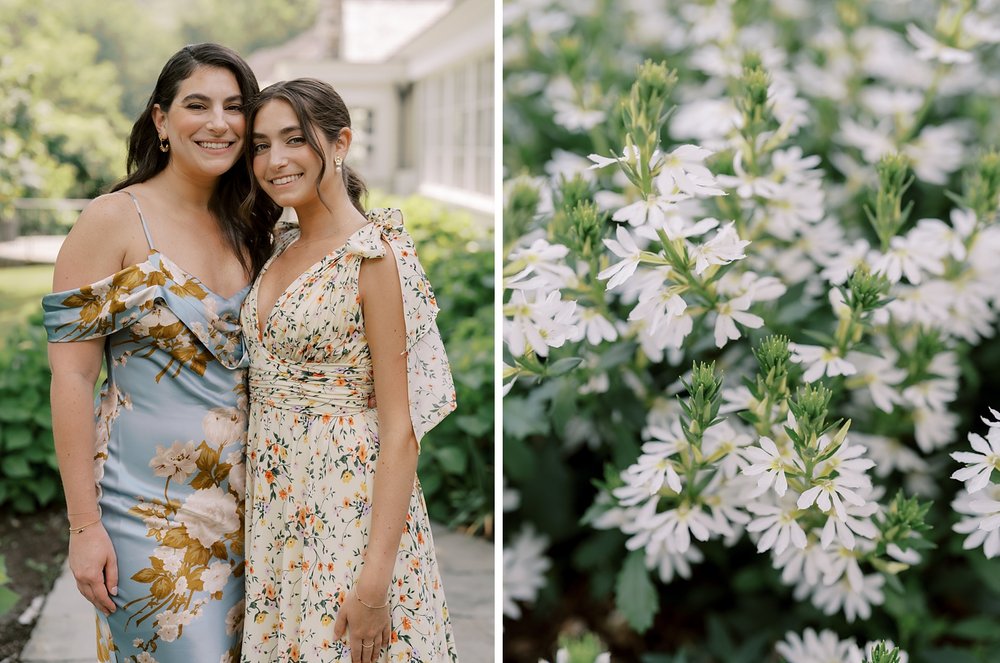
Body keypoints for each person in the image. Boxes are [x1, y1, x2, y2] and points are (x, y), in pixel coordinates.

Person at [43, 43, 273, 662]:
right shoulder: (112, 220)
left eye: (235, 107)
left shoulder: (260, 224)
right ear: (161, 120)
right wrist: (85, 527)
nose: (219, 122)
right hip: (149, 512)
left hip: (266, 513)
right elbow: (71, 379)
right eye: (197, 105)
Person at [239, 78, 459, 662]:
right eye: (260, 145)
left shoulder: (373, 255)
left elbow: (401, 430)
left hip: (346, 505)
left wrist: (374, 582)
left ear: (339, 143)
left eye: (293, 139)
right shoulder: (281, 245)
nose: (274, 160)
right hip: (277, 503)